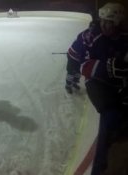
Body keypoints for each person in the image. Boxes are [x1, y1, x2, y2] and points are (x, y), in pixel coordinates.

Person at [79, 2, 128, 174]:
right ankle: (98, 168)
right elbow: (83, 65)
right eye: (103, 21)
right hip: (96, 82)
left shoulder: (124, 38)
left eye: (110, 22)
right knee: (109, 117)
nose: (105, 25)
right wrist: (107, 67)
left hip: (117, 84)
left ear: (119, 23)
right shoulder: (91, 35)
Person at [65, 20, 97, 94]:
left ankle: (74, 83)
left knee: (78, 71)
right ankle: (68, 85)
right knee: (71, 71)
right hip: (73, 57)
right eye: (92, 28)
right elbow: (84, 51)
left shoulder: (94, 36)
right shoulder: (85, 37)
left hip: (79, 58)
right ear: (90, 28)